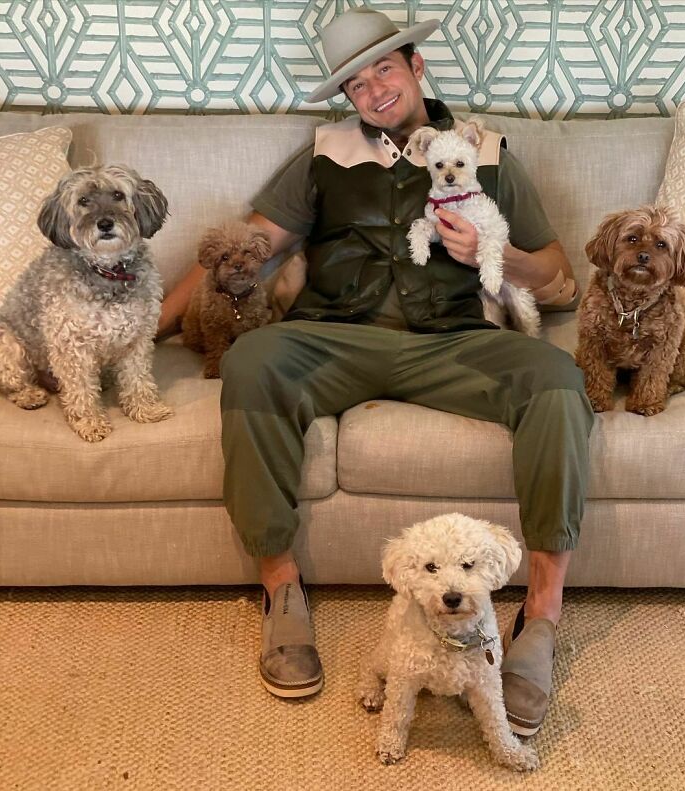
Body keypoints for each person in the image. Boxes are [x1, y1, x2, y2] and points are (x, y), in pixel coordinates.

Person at [159, 7, 593, 734]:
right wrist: (148, 324)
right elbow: (247, 244)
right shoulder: (324, 153)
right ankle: (281, 590)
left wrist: (490, 256)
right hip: (336, 335)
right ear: (348, 98)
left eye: (384, 70)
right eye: (356, 84)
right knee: (254, 357)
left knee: (556, 379)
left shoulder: (486, 152)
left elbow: (558, 276)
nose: (373, 90)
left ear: (416, 68)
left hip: (454, 341)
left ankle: (541, 616)